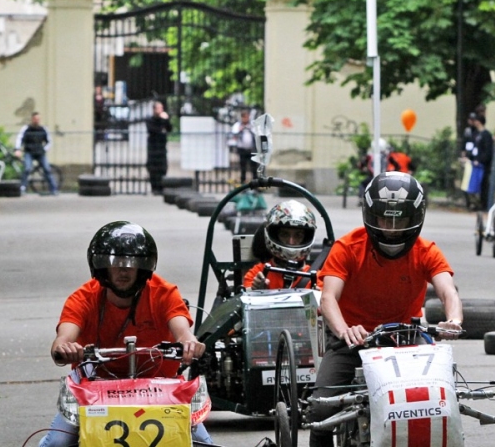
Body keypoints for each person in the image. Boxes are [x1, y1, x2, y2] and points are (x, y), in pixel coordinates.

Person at [308, 171, 463, 447]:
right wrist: (345, 331)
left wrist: (453, 319)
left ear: (415, 219)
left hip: (405, 339)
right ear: (371, 215)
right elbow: (328, 298)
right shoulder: (347, 247)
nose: (391, 228)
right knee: (320, 411)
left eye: (400, 220)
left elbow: (448, 290)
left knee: (436, 401)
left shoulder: (426, 251)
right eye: (384, 219)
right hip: (352, 340)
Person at [38, 221, 212, 447]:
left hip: (160, 388)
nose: (123, 270)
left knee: (203, 442)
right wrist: (64, 347)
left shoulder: (164, 293)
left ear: (144, 267)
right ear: (101, 266)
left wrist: (189, 341)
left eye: (131, 264)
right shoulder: (83, 297)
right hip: (94, 386)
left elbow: (182, 330)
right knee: (57, 443)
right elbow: (63, 338)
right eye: (116, 264)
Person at [244, 200, 321, 290]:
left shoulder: (317, 278)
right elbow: (245, 297)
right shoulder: (257, 274)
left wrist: (318, 298)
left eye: (298, 235)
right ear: (274, 235)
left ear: (306, 238)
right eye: (284, 234)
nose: (291, 241)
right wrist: (256, 290)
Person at [15, 112, 58, 195]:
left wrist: (44, 149)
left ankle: (54, 189)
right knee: (27, 168)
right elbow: (19, 139)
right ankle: (22, 188)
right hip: (29, 153)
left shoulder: (43, 129)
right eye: (35, 119)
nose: (36, 121)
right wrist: (17, 149)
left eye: (38, 119)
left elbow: (49, 141)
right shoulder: (26, 129)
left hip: (40, 153)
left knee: (47, 169)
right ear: (32, 119)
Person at [146, 100, 173, 195]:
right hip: (153, 148)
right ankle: (155, 188)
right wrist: (162, 128)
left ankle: (162, 187)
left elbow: (169, 128)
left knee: (162, 168)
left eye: (161, 108)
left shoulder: (163, 120)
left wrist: (166, 119)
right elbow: (153, 130)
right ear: (154, 109)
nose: (161, 110)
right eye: (159, 108)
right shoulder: (150, 120)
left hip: (161, 147)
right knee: (153, 169)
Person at [470, 112, 494, 210]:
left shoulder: (486, 135)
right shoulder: (476, 134)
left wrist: (480, 160)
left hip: (483, 165)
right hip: (476, 164)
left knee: (483, 185)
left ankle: (483, 204)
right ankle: (475, 203)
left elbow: (488, 151)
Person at [230, 109, 257, 184]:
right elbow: (234, 135)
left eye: (247, 117)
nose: (246, 119)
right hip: (242, 149)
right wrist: (240, 130)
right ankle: (242, 182)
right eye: (244, 117)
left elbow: (256, 134)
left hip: (252, 149)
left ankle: (255, 184)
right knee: (243, 167)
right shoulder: (237, 125)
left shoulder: (252, 125)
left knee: (254, 168)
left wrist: (249, 129)